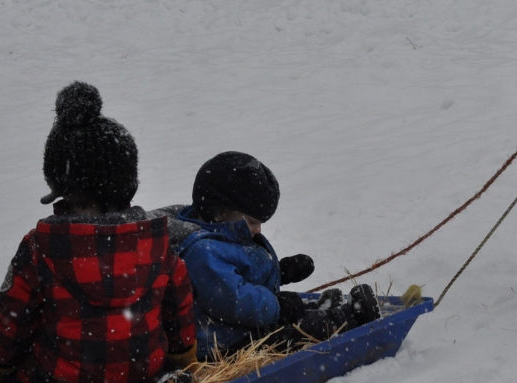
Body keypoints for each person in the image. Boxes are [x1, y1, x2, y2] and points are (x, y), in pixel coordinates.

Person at [0, 82, 199, 383]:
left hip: (65, 382)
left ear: (63, 191)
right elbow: (179, 308)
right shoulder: (158, 241)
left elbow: (11, 317)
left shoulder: (42, 246)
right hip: (139, 378)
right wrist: (183, 358)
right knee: (155, 376)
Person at [156, 151, 379, 357]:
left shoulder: (219, 234)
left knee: (288, 317)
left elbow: (237, 275)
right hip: (224, 344)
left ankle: (319, 311)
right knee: (290, 335)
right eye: (252, 221)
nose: (258, 229)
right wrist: (278, 307)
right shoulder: (202, 252)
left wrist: (280, 272)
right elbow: (236, 300)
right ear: (220, 211)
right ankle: (342, 321)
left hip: (240, 326)